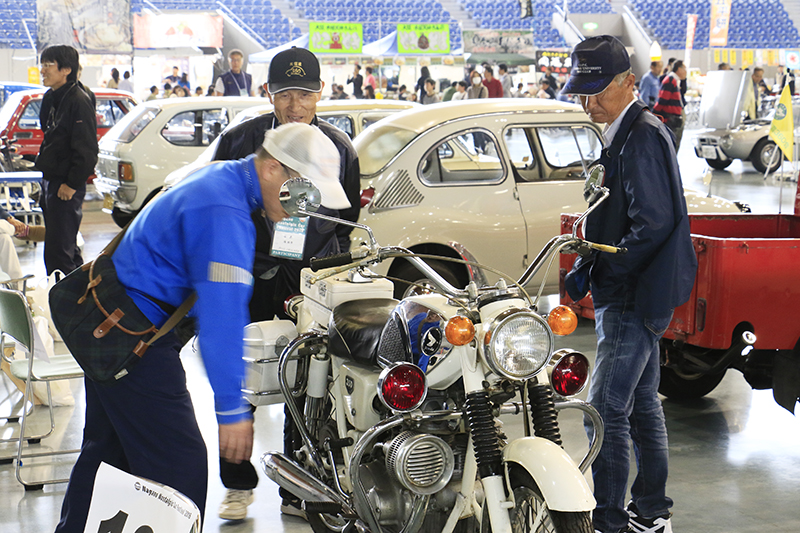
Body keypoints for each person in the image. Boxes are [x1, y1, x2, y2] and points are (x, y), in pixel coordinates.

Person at [52, 121, 349, 533]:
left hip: (110, 322)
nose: (306, 208)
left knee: (107, 454)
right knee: (180, 467)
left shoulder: (220, 176)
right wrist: (231, 408)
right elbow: (222, 320)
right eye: (304, 193)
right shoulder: (225, 215)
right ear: (272, 170)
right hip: (135, 340)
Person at [211, 46, 361, 521]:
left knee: (307, 381)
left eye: (304, 94)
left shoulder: (338, 148)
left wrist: (327, 276)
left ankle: (301, 487)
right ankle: (236, 483)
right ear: (268, 94)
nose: (295, 105)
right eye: (284, 94)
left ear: (321, 94)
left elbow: (347, 219)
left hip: (308, 281)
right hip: (246, 277)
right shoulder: (240, 142)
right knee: (241, 379)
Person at [562, 35, 695, 533]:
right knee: (640, 402)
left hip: (635, 294)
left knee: (604, 410)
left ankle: (611, 520)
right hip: (646, 289)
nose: (587, 101)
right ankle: (652, 510)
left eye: (597, 90)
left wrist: (603, 268)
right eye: (581, 90)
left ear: (627, 83)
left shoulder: (639, 135)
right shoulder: (629, 131)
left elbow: (653, 224)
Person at [35, 45, 98, 276]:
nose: (43, 70)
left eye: (48, 65)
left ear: (66, 70)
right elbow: (49, 134)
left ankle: (65, 303)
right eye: (42, 64)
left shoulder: (78, 100)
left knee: (59, 252)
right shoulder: (51, 97)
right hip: (51, 181)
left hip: (65, 185)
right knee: (60, 246)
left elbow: (87, 149)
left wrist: (72, 184)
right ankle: (76, 292)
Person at [653, 60, 686, 147]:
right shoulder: (670, 80)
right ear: (679, 69)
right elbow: (663, 99)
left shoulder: (675, 80)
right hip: (670, 119)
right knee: (671, 146)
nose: (686, 72)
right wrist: (654, 113)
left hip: (673, 118)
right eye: (684, 69)